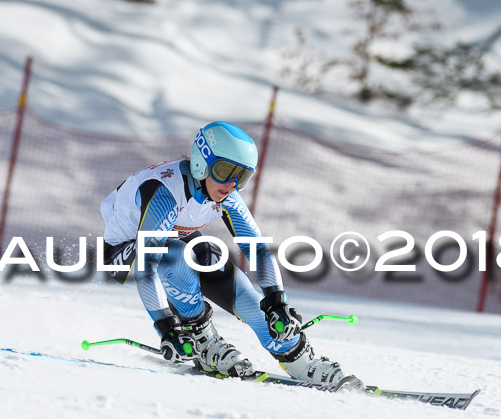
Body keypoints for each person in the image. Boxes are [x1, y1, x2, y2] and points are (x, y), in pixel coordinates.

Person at [100, 121, 348, 385]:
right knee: (175, 254)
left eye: (241, 176)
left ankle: (295, 354)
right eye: (224, 171)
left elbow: (258, 248)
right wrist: (166, 325)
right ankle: (201, 340)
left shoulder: (225, 194)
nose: (231, 184)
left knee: (211, 257)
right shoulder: (164, 194)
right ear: (201, 163)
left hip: (172, 240)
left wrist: (277, 302)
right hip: (124, 254)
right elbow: (147, 269)